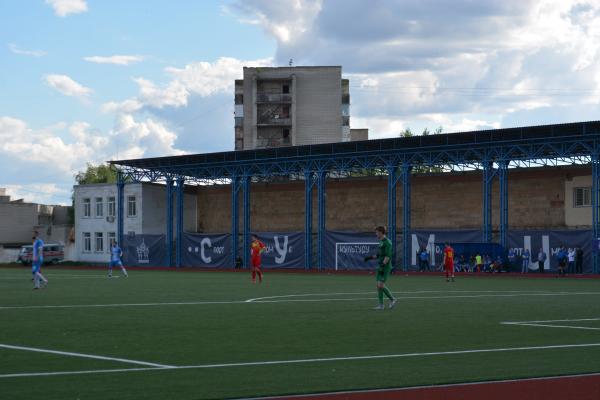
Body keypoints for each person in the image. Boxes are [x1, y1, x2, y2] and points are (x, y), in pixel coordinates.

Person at [364, 226, 396, 310]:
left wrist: (382, 265)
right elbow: (379, 255)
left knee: (380, 285)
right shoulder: (381, 242)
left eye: (377, 232)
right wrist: (369, 257)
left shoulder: (388, 242)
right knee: (378, 286)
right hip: (380, 266)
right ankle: (381, 305)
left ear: (381, 232)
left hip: (385, 267)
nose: (376, 234)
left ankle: (392, 299)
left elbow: (388, 256)